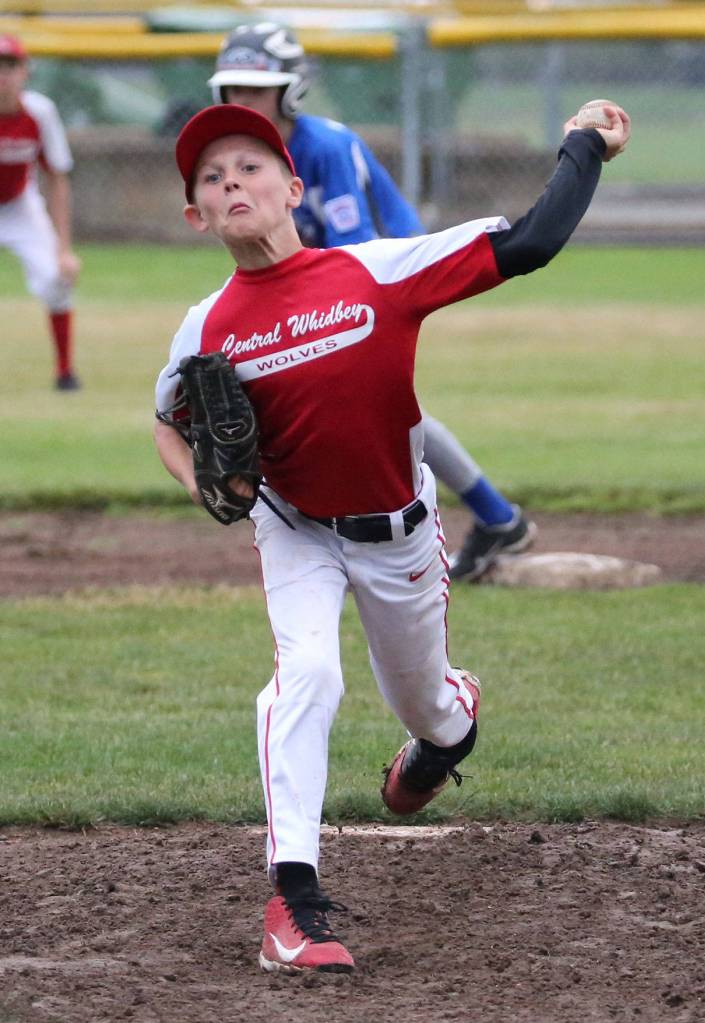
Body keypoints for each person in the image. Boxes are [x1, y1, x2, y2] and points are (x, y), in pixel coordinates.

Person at [154, 100, 629, 972]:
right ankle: (292, 907)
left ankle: (447, 732)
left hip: (399, 532)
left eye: (250, 166)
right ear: (198, 216)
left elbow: (526, 244)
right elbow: (168, 423)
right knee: (306, 677)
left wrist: (582, 146)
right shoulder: (206, 326)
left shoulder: (376, 272)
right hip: (294, 528)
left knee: (431, 713)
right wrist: (202, 484)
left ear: (293, 186)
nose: (232, 182)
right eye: (211, 178)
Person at [207, 22, 537, 581]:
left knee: (383, 415)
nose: (244, 102)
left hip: (388, 279)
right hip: (327, 287)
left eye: (257, 90)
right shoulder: (245, 164)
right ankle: (498, 517)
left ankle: (480, 519)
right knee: (389, 416)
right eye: (234, 91)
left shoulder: (324, 147)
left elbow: (353, 257)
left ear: (290, 90)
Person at [0, 33, 81, 391]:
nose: (3, 75)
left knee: (57, 277)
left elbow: (58, 178)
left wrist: (64, 249)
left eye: (10, 65)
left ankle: (64, 372)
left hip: (20, 204)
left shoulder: (40, 112)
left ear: (25, 71)